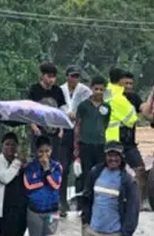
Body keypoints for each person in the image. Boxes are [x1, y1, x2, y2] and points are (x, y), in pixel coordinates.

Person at [24, 135, 63, 236]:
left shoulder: (56, 166)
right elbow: (29, 186)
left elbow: (55, 184)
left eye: (47, 151)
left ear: (51, 150)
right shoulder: (30, 166)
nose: (44, 155)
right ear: (36, 151)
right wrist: (44, 177)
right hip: (34, 210)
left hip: (52, 211)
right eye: (41, 151)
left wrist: (46, 171)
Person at [59, 64, 92, 217]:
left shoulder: (85, 91)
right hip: (64, 131)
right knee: (63, 167)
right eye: (72, 76)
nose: (75, 79)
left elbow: (88, 109)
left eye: (77, 76)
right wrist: (68, 113)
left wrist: (77, 115)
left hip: (80, 131)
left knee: (81, 168)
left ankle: (82, 203)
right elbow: (58, 107)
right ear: (67, 76)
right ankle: (62, 202)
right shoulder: (60, 90)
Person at [74, 75, 110, 210]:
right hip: (85, 143)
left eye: (101, 89)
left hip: (100, 144)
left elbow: (105, 124)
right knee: (86, 172)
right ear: (91, 89)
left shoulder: (106, 107)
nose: (99, 92)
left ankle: (98, 202)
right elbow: (78, 125)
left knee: (99, 172)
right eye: (96, 89)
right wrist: (76, 145)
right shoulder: (83, 106)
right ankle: (84, 204)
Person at [27, 62, 66, 162]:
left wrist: (61, 129)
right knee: (37, 158)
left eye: (54, 77)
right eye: (49, 76)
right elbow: (29, 111)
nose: (51, 79)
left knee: (54, 159)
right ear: (42, 75)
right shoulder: (34, 89)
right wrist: (34, 127)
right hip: (39, 130)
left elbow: (61, 111)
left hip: (54, 131)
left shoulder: (58, 90)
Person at [119, 71, 147, 210]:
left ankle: (138, 202)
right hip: (114, 143)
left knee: (140, 170)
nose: (129, 86)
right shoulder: (112, 98)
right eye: (126, 83)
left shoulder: (134, 98)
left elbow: (144, 110)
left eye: (131, 83)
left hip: (130, 143)